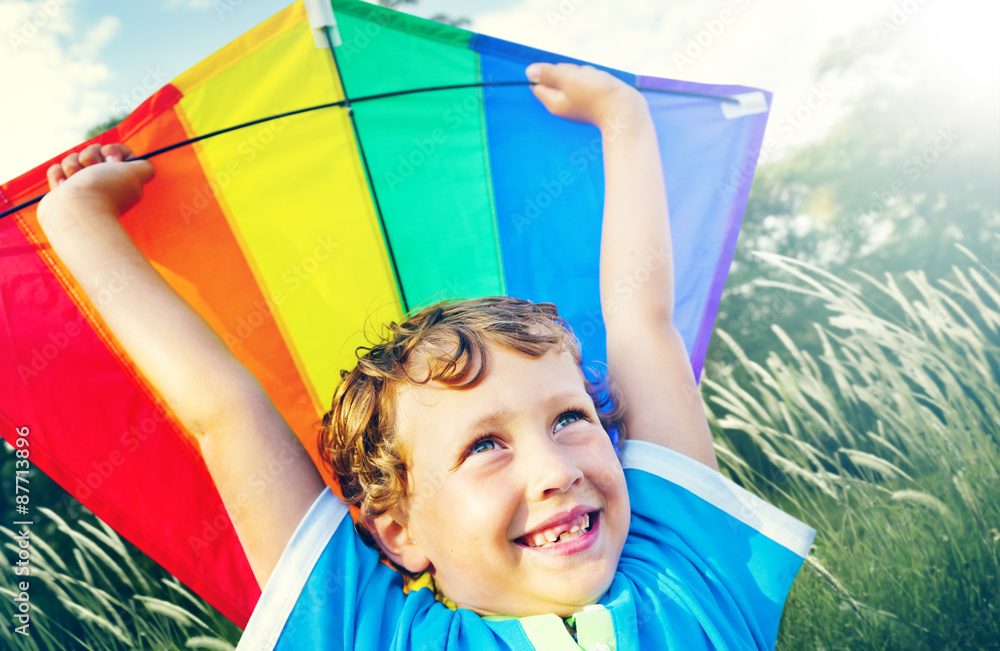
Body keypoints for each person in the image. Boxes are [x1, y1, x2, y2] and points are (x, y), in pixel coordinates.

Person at [39, 62, 814, 649]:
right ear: (398, 528)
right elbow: (225, 414)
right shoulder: (371, 634)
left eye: (571, 417)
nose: (556, 470)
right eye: (484, 444)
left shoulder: (685, 559)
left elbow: (642, 320)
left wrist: (624, 119)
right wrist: (78, 225)